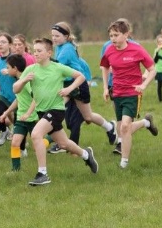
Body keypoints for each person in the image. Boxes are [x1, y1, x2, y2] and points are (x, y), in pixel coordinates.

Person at [14, 38, 98, 186]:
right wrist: (23, 80)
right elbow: (16, 89)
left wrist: (68, 89)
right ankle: (86, 154)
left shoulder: (58, 68)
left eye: (39, 51)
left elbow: (81, 76)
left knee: (36, 134)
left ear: (49, 53)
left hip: (56, 110)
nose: (36, 54)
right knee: (64, 143)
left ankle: (42, 174)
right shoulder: (30, 69)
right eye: (34, 51)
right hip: (42, 111)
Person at [100, 19, 158, 169]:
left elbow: (153, 69)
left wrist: (143, 85)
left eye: (116, 35)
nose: (113, 38)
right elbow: (104, 68)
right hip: (117, 92)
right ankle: (146, 123)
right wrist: (106, 88)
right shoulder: (109, 51)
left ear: (126, 35)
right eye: (111, 35)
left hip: (133, 93)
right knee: (122, 129)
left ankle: (124, 162)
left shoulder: (137, 50)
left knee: (125, 127)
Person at [49, 22, 117, 150]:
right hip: (68, 84)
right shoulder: (59, 46)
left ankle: (110, 127)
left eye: (57, 36)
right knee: (55, 109)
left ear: (66, 36)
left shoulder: (67, 49)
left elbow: (56, 67)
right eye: (52, 35)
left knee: (88, 117)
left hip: (78, 84)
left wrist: (43, 60)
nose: (54, 38)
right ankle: (61, 142)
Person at [0, 54, 38, 171]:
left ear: (15, 68)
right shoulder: (19, 82)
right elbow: (18, 99)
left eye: (8, 67)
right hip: (21, 118)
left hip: (32, 118)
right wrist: (6, 113)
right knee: (15, 143)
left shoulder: (25, 82)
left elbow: (36, 98)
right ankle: (15, 170)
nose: (7, 69)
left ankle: (52, 140)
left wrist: (28, 113)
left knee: (38, 146)